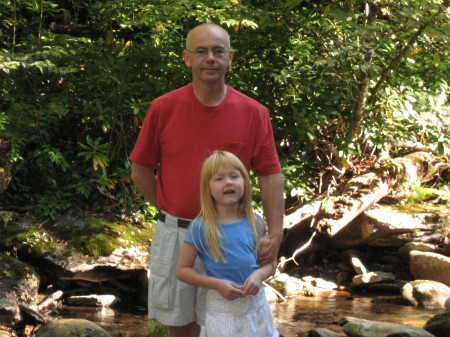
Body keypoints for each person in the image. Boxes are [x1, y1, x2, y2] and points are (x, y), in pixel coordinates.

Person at [130, 22, 284, 337]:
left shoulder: (253, 112)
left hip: (234, 236)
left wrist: (276, 232)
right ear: (187, 58)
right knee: (180, 326)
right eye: (201, 51)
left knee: (232, 325)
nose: (209, 58)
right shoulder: (164, 108)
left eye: (217, 51)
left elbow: (270, 175)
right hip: (177, 237)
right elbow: (140, 169)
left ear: (230, 58)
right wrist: (168, 210)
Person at [176, 151, 279, 337]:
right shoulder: (201, 227)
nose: (228, 182)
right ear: (207, 188)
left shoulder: (256, 223)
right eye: (219, 179)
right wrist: (217, 284)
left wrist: (257, 276)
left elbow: (271, 265)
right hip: (222, 309)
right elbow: (182, 270)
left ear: (245, 183)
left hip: (256, 306)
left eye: (234, 176)